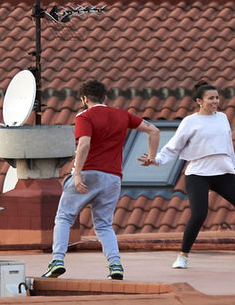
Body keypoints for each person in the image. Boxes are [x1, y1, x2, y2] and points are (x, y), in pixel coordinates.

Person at [139, 79, 235, 269]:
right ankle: (183, 256)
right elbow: (173, 147)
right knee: (199, 214)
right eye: (210, 98)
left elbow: (227, 146)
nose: (215, 101)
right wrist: (156, 159)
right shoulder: (190, 121)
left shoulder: (222, 117)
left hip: (223, 173)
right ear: (199, 101)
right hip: (198, 174)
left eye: (217, 97)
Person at [43, 78, 160, 281]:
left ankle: (57, 261)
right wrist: (151, 157)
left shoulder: (84, 116)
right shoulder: (122, 115)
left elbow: (84, 145)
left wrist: (77, 174)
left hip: (88, 173)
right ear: (105, 97)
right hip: (113, 177)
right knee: (104, 225)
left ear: (84, 98)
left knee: (64, 217)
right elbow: (154, 130)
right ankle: (115, 265)